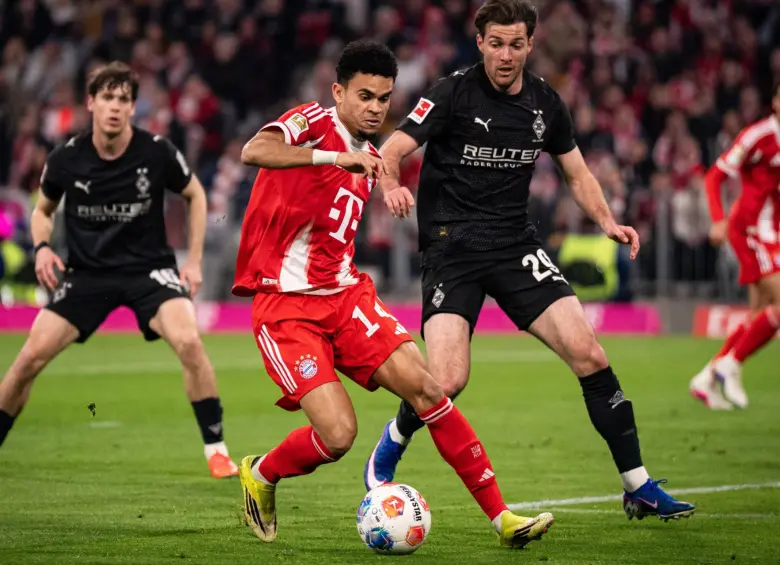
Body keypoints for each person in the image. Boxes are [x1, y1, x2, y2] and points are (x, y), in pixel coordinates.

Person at [363, 0, 695, 522]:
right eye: (496, 43)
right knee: (447, 380)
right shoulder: (451, 92)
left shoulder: (545, 104)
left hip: (516, 247)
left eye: (516, 44)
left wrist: (607, 220)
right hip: (453, 250)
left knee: (590, 354)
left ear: (530, 45)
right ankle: (393, 439)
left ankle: (638, 486)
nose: (505, 55)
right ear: (480, 43)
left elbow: (578, 174)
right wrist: (388, 184)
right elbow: (392, 147)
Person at [233, 39, 553, 548]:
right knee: (337, 436)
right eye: (364, 96)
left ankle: (503, 519)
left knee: (430, 389)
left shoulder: (374, 151)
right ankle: (263, 474)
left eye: (383, 98)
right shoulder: (311, 121)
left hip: (345, 297)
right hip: (286, 307)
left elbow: (383, 170)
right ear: (338, 91)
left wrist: (391, 184)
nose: (374, 108)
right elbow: (255, 151)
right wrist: (337, 157)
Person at [0, 62, 238, 479]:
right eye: (107, 98)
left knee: (189, 342)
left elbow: (195, 195)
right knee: (28, 359)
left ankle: (216, 450)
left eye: (123, 99)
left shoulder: (156, 151)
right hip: (87, 274)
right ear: (91, 103)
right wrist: (40, 248)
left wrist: (195, 261)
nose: (114, 107)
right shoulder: (66, 159)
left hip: (149, 271)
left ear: (133, 108)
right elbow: (43, 211)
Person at [690, 81, 780, 410]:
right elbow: (715, 175)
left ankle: (709, 374)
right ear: (775, 103)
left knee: (758, 314)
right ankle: (732, 363)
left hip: (772, 233)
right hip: (750, 230)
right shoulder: (759, 135)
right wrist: (717, 218)